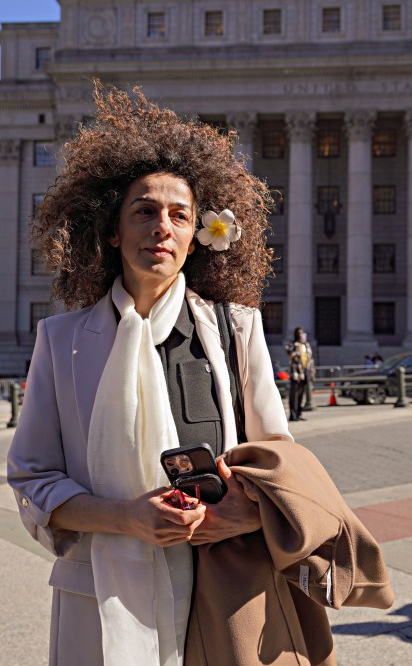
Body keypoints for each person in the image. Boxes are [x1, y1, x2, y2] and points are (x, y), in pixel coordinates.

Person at [6, 83, 293, 666]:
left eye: (180, 215)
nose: (162, 226)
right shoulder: (60, 341)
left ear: (196, 238)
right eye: (144, 211)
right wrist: (128, 518)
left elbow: (277, 462)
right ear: (113, 232)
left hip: (221, 589)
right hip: (100, 597)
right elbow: (33, 479)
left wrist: (234, 514)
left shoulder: (238, 329)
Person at [285, 326, 315, 421]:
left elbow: (311, 359)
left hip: (305, 372)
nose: (301, 335)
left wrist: (312, 372)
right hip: (296, 372)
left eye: (302, 333)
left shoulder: (306, 345)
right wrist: (295, 349)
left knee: (301, 393)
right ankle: (293, 415)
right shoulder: (293, 344)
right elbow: (289, 352)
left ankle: (298, 413)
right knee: (294, 394)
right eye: (299, 333)